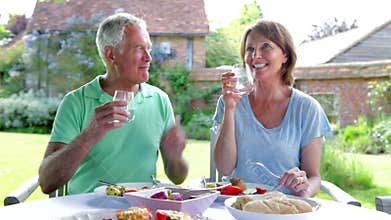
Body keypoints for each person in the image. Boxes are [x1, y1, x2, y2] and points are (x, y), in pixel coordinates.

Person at [38, 13, 188, 195]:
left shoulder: (159, 100)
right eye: (139, 48)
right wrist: (89, 135)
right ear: (111, 55)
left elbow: (177, 177)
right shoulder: (76, 102)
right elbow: (47, 183)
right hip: (87, 212)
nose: (148, 57)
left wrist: (175, 157)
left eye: (148, 49)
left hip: (140, 212)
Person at [212, 20, 331, 197]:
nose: (255, 55)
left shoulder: (307, 109)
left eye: (266, 46)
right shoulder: (230, 102)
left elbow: (313, 177)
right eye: (250, 49)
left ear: (285, 55)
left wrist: (303, 190)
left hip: (285, 208)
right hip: (241, 207)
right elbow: (224, 167)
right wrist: (230, 109)